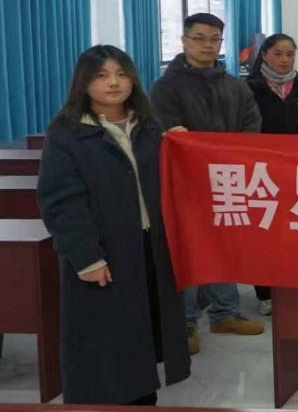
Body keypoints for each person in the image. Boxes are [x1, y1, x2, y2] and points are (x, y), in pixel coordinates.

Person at [37, 45, 191, 404]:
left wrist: (181, 145)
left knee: (144, 337)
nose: (113, 83)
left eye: (121, 74)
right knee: (108, 344)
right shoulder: (67, 133)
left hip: (150, 248)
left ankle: (143, 400)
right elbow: (62, 202)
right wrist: (87, 257)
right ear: (84, 82)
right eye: (102, 75)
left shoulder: (150, 126)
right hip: (105, 252)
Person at [148, 13, 264, 352]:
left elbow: (251, 125)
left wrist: (233, 156)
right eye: (199, 38)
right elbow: (168, 133)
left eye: (214, 39)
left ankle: (224, 313)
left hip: (226, 179)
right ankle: (184, 323)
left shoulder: (235, 85)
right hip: (184, 182)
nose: (207, 45)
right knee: (187, 249)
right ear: (184, 41)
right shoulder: (165, 87)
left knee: (223, 245)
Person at [245, 33, 298, 314]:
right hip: (261, 172)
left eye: (290, 54)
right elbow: (245, 131)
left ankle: (296, 287)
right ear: (265, 55)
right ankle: (266, 293)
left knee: (297, 232)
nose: (284, 60)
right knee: (264, 234)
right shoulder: (249, 88)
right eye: (278, 53)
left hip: (297, 173)